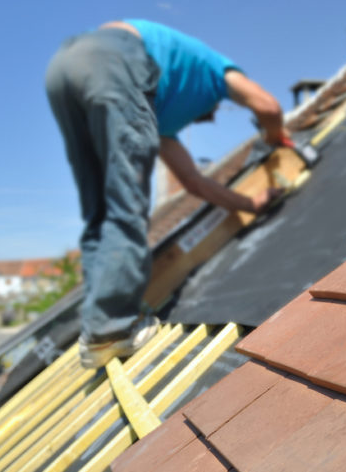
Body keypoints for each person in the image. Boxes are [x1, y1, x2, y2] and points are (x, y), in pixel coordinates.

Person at [45, 20, 289, 368]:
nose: (210, 117)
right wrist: (276, 139)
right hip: (117, 57)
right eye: (212, 113)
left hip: (65, 66)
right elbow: (267, 106)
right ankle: (111, 329)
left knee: (99, 208)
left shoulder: (160, 120)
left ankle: (99, 323)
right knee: (124, 202)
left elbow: (194, 183)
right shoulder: (218, 71)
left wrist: (252, 203)